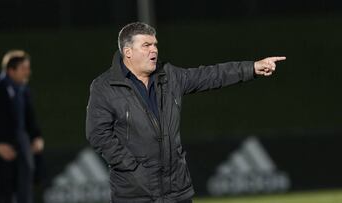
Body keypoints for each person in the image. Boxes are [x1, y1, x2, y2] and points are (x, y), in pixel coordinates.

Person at [86, 22, 286, 203]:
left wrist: (251, 67)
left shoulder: (169, 75)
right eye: (146, 45)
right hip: (134, 193)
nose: (153, 49)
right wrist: (133, 169)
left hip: (177, 191)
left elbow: (210, 75)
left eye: (155, 44)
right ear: (128, 52)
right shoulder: (104, 87)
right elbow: (98, 134)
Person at [0, 50, 44, 203]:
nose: (28, 72)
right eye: (24, 68)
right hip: (0, 159)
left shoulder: (24, 92)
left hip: (23, 154)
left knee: (25, 195)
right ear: (11, 70)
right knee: (3, 197)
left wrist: (37, 138)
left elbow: (30, 121)